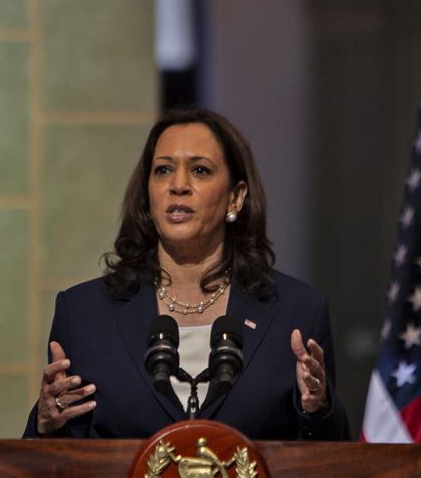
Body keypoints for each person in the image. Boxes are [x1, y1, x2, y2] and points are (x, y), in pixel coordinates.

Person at [22, 108, 349, 440]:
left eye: (199, 170)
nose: (178, 185)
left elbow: (333, 458)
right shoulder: (84, 313)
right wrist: (46, 424)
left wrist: (317, 410)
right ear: (147, 196)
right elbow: (51, 462)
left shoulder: (297, 312)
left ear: (235, 198)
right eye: (163, 170)